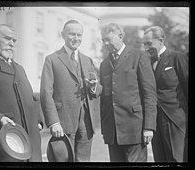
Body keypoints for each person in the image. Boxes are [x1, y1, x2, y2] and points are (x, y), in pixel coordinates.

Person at [40, 20, 102, 162]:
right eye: (72, 34)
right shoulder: (52, 59)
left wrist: (93, 87)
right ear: (63, 35)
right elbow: (45, 93)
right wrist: (54, 122)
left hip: (86, 122)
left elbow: (98, 90)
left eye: (79, 35)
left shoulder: (88, 60)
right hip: (63, 122)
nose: (76, 38)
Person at [99, 23, 157, 162]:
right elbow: (105, 98)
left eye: (109, 39)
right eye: (103, 40)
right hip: (112, 132)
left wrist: (149, 127)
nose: (106, 43)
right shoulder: (104, 64)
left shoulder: (139, 56)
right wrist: (105, 129)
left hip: (134, 130)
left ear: (121, 37)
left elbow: (149, 93)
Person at [0, 24, 43, 162]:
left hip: (31, 139)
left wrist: (38, 120)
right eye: (8, 39)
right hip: (5, 141)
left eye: (14, 41)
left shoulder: (19, 68)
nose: (12, 44)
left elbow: (33, 97)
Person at [143, 26, 188, 162]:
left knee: (177, 159)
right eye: (144, 44)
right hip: (155, 122)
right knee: (160, 160)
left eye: (149, 43)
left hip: (176, 121)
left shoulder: (177, 58)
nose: (146, 48)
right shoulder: (146, 63)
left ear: (161, 40)